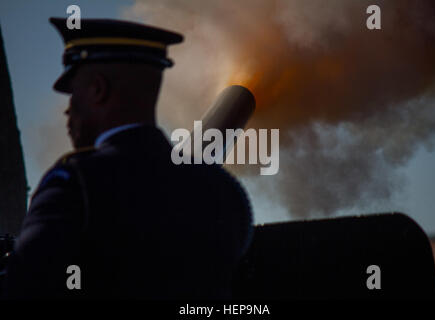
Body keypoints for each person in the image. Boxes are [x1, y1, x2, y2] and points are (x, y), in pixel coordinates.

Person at [3, 17, 253, 299]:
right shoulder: (225, 192)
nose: (67, 111)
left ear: (98, 89)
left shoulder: (75, 186)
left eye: (73, 95)